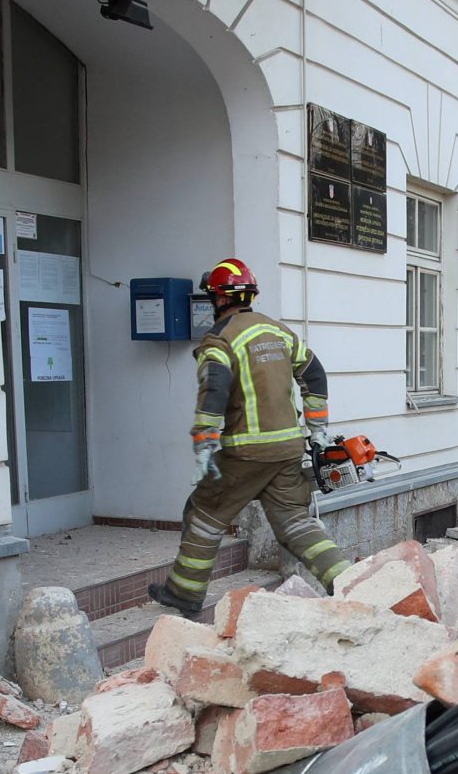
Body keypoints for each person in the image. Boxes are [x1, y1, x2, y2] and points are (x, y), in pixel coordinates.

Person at [149, 259, 356, 614]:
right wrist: (317, 430)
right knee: (296, 522)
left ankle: (184, 591)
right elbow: (315, 375)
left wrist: (204, 445)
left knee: (203, 513)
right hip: (288, 448)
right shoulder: (278, 332)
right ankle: (349, 583)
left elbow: (214, 390)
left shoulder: (220, 340)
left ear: (218, 299)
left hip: (245, 453)